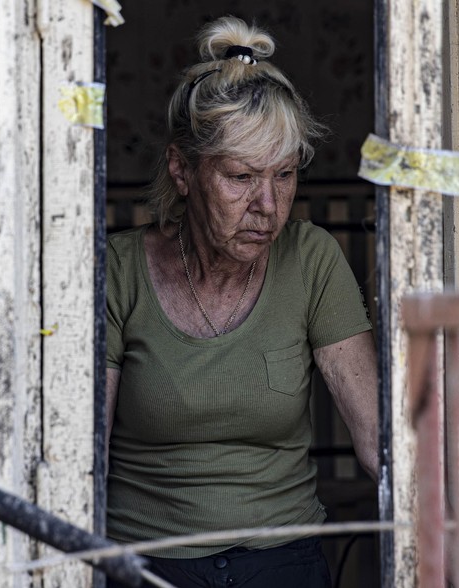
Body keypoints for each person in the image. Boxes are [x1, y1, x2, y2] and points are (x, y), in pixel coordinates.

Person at [104, 16, 378, 588]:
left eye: (283, 176)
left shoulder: (311, 260)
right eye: (240, 177)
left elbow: (380, 443)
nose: (267, 205)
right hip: (147, 565)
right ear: (183, 170)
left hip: (284, 560)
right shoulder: (119, 270)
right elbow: (80, 456)